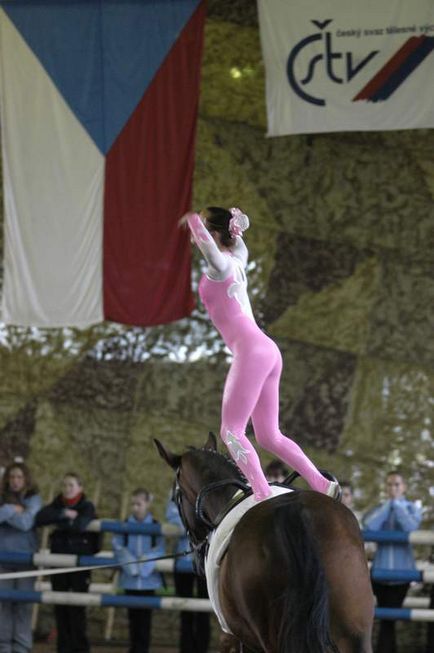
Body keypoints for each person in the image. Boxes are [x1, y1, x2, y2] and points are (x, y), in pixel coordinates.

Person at [181, 207, 340, 501]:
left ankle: (261, 493)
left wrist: (190, 217)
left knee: (231, 431)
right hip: (267, 350)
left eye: (202, 230)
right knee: (269, 435)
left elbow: (206, 243)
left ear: (214, 234)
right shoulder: (238, 260)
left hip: (251, 351)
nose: (194, 236)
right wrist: (234, 226)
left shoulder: (222, 266)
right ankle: (320, 483)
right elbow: (238, 241)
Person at [35, 472, 98, 653]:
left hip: (80, 564)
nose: (67, 489)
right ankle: (63, 648)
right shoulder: (58, 504)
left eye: (71, 485)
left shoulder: (87, 506)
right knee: (60, 608)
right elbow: (40, 517)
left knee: (77, 610)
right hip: (59, 563)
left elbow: (80, 524)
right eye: (64, 485)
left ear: (80, 488)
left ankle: (80, 648)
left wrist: (62, 520)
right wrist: (64, 514)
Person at [363, 471, 422, 653]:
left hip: (402, 576)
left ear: (403, 487)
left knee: (388, 620)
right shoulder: (381, 508)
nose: (393, 488)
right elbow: (370, 526)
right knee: (384, 619)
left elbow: (411, 526)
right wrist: (389, 505)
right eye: (389, 485)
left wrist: (397, 506)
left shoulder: (412, 508)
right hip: (379, 576)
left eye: (397, 484)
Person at [112, 488, 165, 653]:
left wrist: (144, 566)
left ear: (148, 504)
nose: (135, 507)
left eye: (139, 504)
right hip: (130, 580)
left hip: (149, 582)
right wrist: (133, 567)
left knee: (145, 620)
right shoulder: (125, 524)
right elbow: (118, 547)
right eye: (133, 504)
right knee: (132, 618)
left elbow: (159, 549)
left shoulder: (156, 526)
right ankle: (134, 648)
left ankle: (143, 649)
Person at [0, 462, 42, 653]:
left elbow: (26, 523)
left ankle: (22, 647)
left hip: (25, 560)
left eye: (19, 477)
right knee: (3, 605)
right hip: (3, 559)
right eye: (12, 477)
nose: (15, 481)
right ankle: (4, 646)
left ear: (26, 479)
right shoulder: (3, 499)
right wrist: (10, 510)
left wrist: (4, 514)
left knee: (23, 605)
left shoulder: (34, 499)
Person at [166, 495, 210, 653]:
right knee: (185, 610)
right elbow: (171, 515)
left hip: (204, 561)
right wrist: (194, 524)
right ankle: (186, 648)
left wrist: (190, 524)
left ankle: (201, 649)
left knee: (204, 610)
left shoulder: (207, 489)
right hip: (183, 558)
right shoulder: (177, 491)